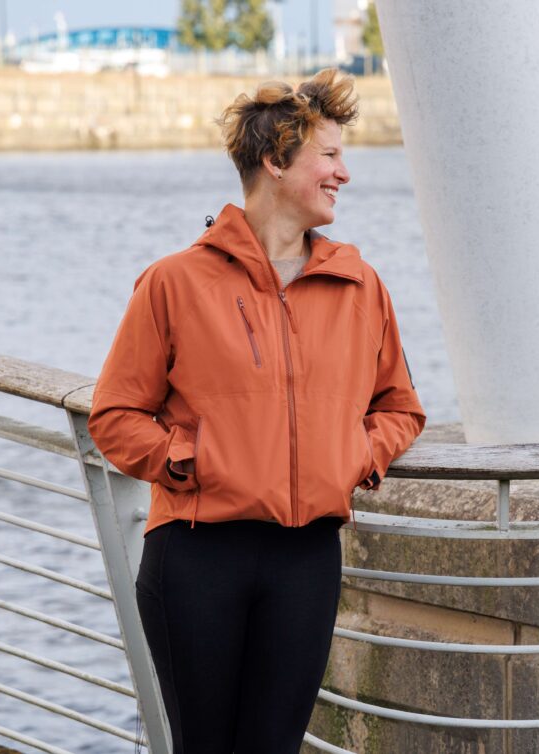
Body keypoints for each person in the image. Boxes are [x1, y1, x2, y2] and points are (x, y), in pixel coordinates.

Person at [88, 69, 425, 753]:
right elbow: (115, 414)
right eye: (329, 156)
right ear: (275, 160)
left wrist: (356, 455)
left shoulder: (360, 287)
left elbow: (400, 406)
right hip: (196, 556)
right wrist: (189, 459)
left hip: (306, 563)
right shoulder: (174, 283)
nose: (344, 173)